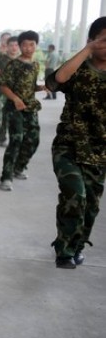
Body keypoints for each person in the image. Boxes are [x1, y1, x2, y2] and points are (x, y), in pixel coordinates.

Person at [46, 17, 106, 268]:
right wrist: (89, 50)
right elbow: (58, 78)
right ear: (92, 40)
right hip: (69, 145)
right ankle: (64, 250)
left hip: (100, 151)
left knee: (91, 205)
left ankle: (78, 246)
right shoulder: (79, 66)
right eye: (103, 38)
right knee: (75, 195)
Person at [0, 30, 45, 192]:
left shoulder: (35, 64)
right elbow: (3, 85)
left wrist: (41, 87)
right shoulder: (13, 64)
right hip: (14, 108)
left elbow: (30, 86)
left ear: (36, 46)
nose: (28, 48)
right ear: (19, 46)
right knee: (16, 140)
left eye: (32, 44)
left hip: (30, 108)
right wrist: (16, 99)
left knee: (33, 140)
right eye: (25, 45)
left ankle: (19, 167)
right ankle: (6, 176)